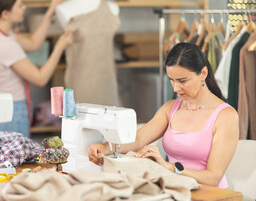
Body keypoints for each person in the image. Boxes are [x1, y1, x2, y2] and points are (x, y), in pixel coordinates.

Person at [88, 43, 239, 189]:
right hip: (177, 190)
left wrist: (169, 167)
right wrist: (106, 147)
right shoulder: (170, 108)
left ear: (203, 74)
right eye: (171, 80)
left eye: (182, 81)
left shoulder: (226, 116)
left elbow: (213, 178)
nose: (175, 87)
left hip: (211, 195)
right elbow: (138, 139)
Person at [0, 0, 73, 137]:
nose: (24, 7)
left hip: (7, 108)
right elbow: (40, 78)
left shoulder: (0, 35)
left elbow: (34, 43)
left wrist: (50, 12)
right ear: (5, 14)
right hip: (13, 110)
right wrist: (60, 46)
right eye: (20, 5)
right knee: (18, 160)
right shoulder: (5, 45)